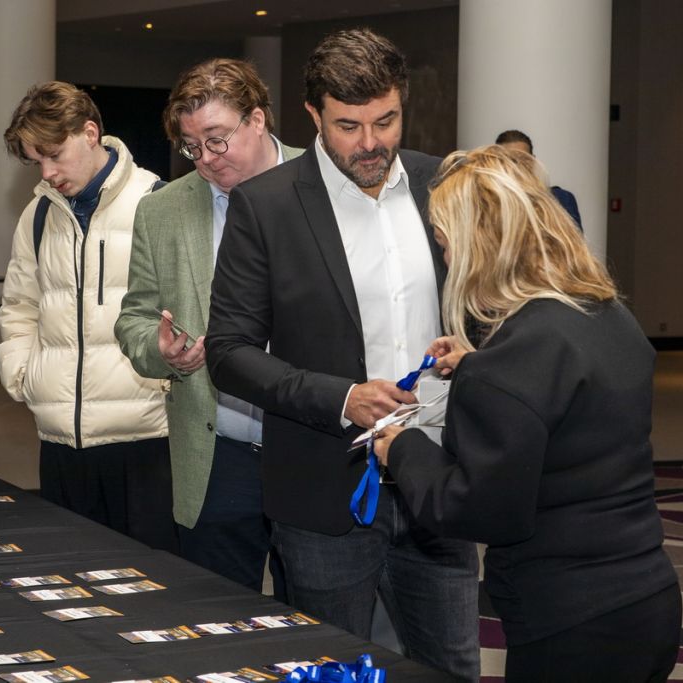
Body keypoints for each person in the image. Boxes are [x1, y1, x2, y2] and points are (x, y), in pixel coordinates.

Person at [206, 28, 480, 681]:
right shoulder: (266, 205)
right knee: (333, 667)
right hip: (324, 492)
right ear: (314, 115)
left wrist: (476, 347)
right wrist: (342, 398)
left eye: (386, 121)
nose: (370, 143)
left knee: (450, 666)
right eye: (349, 126)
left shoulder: (443, 184)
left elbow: (489, 305)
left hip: (439, 483)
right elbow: (228, 351)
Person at [372, 145, 682, 683]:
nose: (445, 259)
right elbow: (562, 402)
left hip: (570, 620)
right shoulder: (606, 314)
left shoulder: (513, 363)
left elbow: (476, 508)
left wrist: (401, 447)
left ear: (477, 246)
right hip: (648, 596)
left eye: (444, 243)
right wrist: (480, 364)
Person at [115, 59, 302, 594]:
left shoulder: (324, 184)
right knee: (218, 616)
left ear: (258, 120)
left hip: (309, 449)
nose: (206, 160)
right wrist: (161, 349)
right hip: (216, 452)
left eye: (217, 140)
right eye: (192, 147)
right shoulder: (163, 211)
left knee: (317, 618)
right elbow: (134, 318)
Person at [0, 81, 176, 551]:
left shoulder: (156, 201)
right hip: (60, 440)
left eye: (55, 155)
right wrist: (25, 377)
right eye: (37, 161)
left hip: (144, 437)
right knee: (69, 573)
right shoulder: (38, 215)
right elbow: (19, 306)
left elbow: (186, 309)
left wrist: (164, 382)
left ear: (90, 133)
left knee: (151, 579)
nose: (48, 172)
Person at [495, 128, 583, 230]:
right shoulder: (489, 203)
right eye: (510, 160)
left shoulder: (561, 199)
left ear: (533, 160)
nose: (518, 165)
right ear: (497, 162)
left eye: (524, 158)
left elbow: (573, 239)